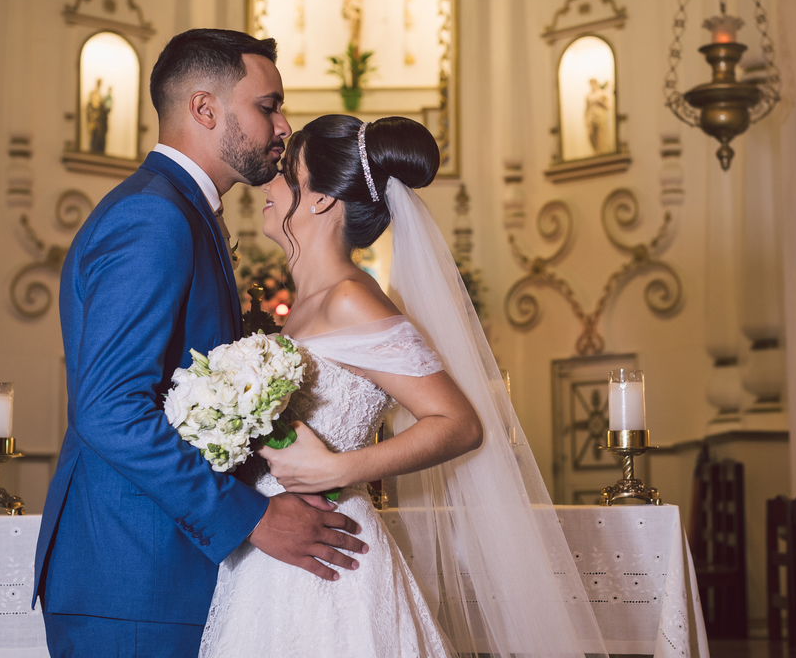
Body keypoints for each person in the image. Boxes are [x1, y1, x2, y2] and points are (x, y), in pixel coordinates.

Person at [199, 114, 609, 657]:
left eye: (286, 174)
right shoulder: (304, 310)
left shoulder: (351, 299)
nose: (269, 185)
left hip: (330, 556)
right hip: (277, 549)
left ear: (320, 200)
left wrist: (339, 468)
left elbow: (459, 424)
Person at [33, 30, 369, 658]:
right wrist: (253, 518)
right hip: (134, 580)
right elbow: (109, 409)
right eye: (267, 106)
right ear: (204, 109)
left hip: (160, 571)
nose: (283, 124)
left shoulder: (182, 210)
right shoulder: (153, 217)